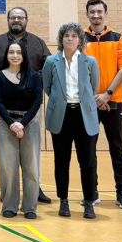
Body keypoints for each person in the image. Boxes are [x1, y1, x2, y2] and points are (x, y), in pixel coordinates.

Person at [0, 7, 52, 204]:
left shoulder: (37, 42)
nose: (17, 20)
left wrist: (33, 81)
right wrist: (4, 80)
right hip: (5, 107)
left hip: (32, 107)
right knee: (8, 158)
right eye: (13, 17)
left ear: (26, 20)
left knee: (31, 155)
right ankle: (9, 197)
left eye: (20, 17)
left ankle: (34, 191)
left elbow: (48, 66)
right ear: (8, 20)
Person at [43, 23, 100, 219]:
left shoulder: (89, 61)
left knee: (88, 162)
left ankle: (89, 202)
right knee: (62, 161)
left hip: (84, 116)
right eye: (66, 35)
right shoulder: (51, 61)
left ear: (80, 40)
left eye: (74, 35)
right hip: (62, 115)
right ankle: (64, 200)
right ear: (61, 39)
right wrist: (62, 101)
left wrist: (80, 102)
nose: (70, 38)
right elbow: (48, 87)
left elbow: (93, 88)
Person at [84, 0, 122, 209]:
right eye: (92, 12)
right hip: (89, 104)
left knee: (117, 148)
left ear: (105, 13)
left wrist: (107, 94)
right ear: (87, 14)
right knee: (89, 149)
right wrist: (94, 97)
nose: (96, 15)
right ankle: (92, 192)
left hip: (114, 102)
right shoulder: (80, 38)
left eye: (99, 11)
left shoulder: (118, 38)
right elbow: (77, 70)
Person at [0, 42, 42, 219]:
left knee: (32, 168)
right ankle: (10, 206)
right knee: (8, 168)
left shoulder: (34, 76)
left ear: (23, 55)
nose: (15, 55)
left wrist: (23, 123)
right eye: (11, 52)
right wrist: (12, 123)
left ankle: (30, 207)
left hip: (30, 124)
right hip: (6, 125)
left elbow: (37, 102)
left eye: (18, 52)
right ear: (6, 55)